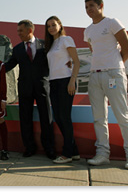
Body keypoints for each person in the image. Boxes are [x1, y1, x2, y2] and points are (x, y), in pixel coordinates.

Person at [83, 0, 128, 170]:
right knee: (99, 117)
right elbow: (95, 51)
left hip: (113, 74)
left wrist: (115, 66)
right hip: (95, 76)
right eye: (86, 7)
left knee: (122, 115)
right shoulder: (88, 30)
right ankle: (102, 154)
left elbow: (127, 49)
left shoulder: (112, 22)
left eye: (92, 5)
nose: (89, 9)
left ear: (101, 6)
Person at [5, 19, 56, 159]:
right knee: (25, 119)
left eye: (20, 31)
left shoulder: (45, 45)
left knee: (46, 118)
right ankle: (29, 147)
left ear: (29, 30)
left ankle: (49, 148)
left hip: (42, 87)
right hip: (24, 88)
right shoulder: (17, 49)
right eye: (17, 31)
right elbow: (8, 66)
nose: (18, 34)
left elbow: (55, 62)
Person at [45, 16, 80, 163]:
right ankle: (74, 151)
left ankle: (67, 154)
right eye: (48, 26)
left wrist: (72, 81)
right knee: (58, 117)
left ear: (60, 25)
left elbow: (77, 62)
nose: (51, 28)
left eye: (54, 25)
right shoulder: (51, 44)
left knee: (65, 117)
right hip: (53, 83)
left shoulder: (66, 39)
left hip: (66, 81)